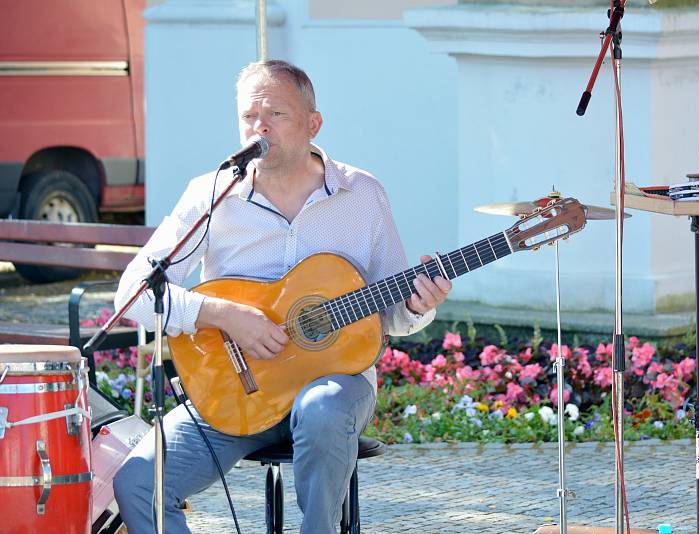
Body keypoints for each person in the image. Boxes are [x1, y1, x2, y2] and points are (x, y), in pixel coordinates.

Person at [112, 60, 452, 534]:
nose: (259, 128)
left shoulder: (363, 195)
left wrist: (418, 305)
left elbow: (391, 316)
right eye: (249, 116)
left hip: (334, 389)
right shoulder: (211, 196)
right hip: (233, 390)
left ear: (314, 124)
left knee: (320, 409)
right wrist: (223, 314)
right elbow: (132, 295)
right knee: (137, 482)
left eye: (275, 114)